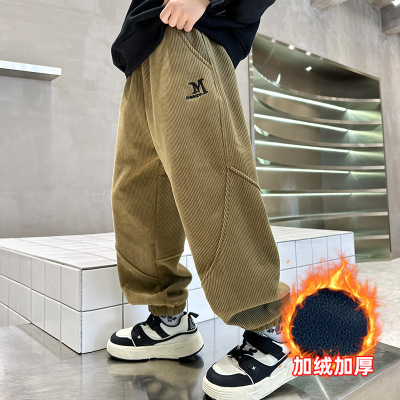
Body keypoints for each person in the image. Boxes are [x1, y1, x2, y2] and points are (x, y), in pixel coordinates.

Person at [107, 0, 294, 398]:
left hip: (190, 33)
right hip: (142, 49)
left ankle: (272, 332)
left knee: (212, 178)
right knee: (138, 192)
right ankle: (169, 320)